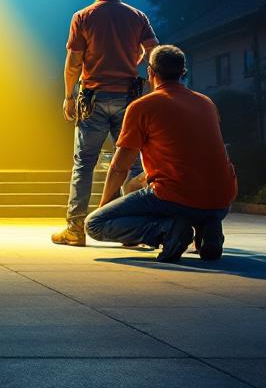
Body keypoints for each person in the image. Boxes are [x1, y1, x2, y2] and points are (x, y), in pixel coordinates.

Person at [86, 45, 238, 262]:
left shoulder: (142, 107)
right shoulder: (207, 103)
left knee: (94, 224)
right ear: (183, 71)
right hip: (221, 200)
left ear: (150, 72)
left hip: (174, 196)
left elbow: (120, 167)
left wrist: (106, 207)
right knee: (151, 189)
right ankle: (207, 226)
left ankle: (168, 231)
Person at [52, 0, 158, 247]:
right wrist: (136, 63)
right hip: (128, 99)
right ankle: (135, 229)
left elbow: (74, 61)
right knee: (133, 164)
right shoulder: (137, 16)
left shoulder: (83, 17)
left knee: (84, 164)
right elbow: (154, 52)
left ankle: (75, 229)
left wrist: (68, 95)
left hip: (93, 98)